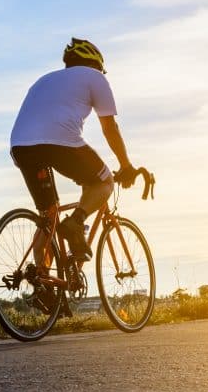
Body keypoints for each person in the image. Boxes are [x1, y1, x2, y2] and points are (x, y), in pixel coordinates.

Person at [9, 38, 137, 260]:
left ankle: (44, 287)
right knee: (104, 181)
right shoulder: (94, 77)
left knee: (48, 219)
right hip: (59, 142)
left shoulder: (44, 80)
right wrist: (126, 165)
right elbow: (110, 128)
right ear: (95, 64)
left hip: (21, 146)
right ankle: (76, 223)